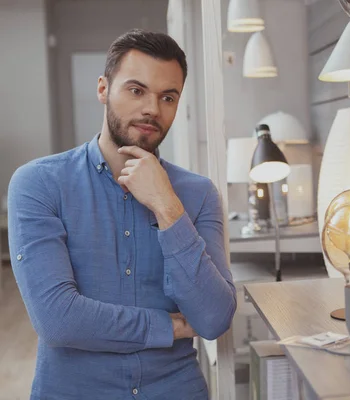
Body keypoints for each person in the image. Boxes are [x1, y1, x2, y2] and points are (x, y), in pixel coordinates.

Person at [7, 29, 236, 399]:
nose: (152, 108)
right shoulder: (38, 184)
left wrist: (167, 207)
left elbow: (213, 318)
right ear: (103, 89)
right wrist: (171, 326)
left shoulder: (196, 194)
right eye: (136, 90)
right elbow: (59, 321)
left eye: (168, 97)